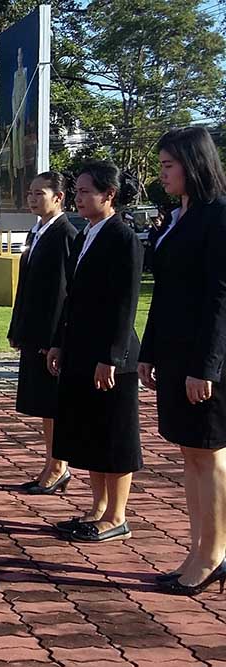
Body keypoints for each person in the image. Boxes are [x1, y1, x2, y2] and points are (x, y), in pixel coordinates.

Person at [139, 127, 226, 596]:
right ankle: (198, 549)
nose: (162, 174)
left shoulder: (219, 216)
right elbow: (164, 294)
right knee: (190, 455)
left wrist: (206, 367)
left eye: (168, 165)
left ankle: (214, 555)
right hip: (173, 355)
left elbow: (220, 298)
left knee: (209, 455)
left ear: (194, 164)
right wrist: (149, 351)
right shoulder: (178, 217)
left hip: (204, 361)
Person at [47, 161, 143, 543]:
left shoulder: (123, 238)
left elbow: (125, 303)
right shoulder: (85, 235)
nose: (79, 197)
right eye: (77, 191)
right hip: (80, 351)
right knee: (90, 434)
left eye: (87, 191)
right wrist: (59, 341)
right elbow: (70, 299)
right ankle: (98, 508)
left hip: (111, 359)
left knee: (114, 437)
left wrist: (112, 357)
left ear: (109, 195)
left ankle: (117, 516)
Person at [8, 171, 78, 495]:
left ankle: (59, 465)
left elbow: (64, 294)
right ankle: (51, 462)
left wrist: (55, 341)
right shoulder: (36, 232)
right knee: (42, 405)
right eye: (30, 193)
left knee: (53, 405)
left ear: (58, 197)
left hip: (51, 339)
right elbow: (26, 286)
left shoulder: (65, 235)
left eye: (40, 193)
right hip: (33, 333)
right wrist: (17, 327)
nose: (32, 199)